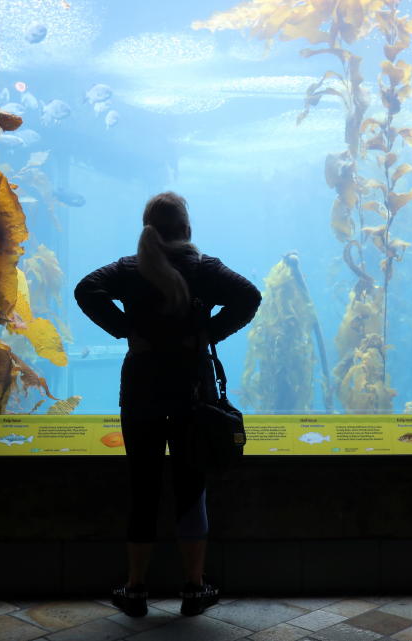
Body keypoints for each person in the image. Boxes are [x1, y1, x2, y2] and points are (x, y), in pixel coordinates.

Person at [74, 192, 261, 617]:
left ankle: (136, 588)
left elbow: (86, 290)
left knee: (143, 488)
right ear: (187, 230)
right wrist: (205, 336)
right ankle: (194, 588)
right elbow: (249, 297)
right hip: (193, 396)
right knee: (191, 490)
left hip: (141, 393)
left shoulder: (128, 268)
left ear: (148, 229)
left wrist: (126, 331)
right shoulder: (205, 269)